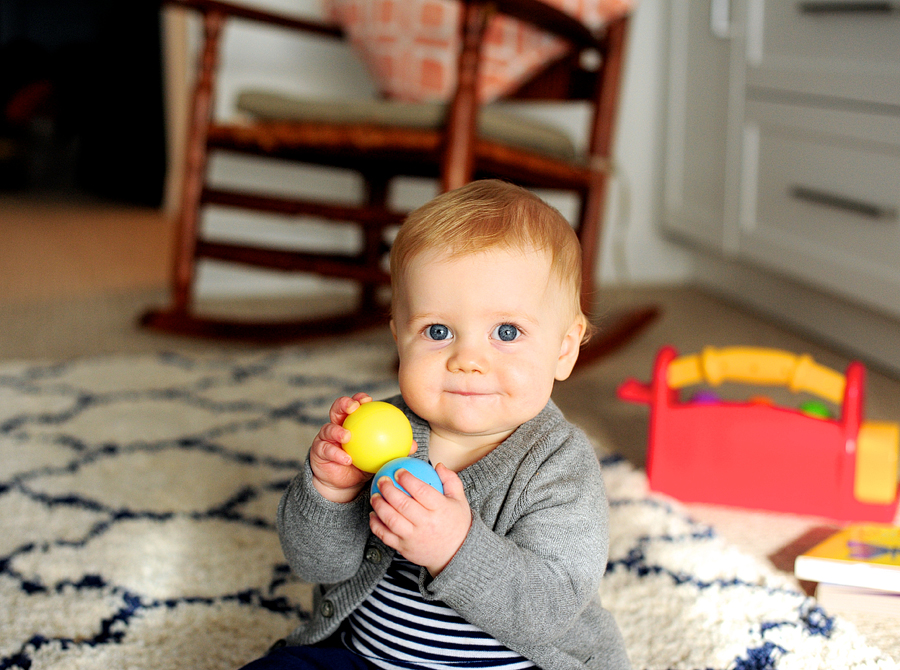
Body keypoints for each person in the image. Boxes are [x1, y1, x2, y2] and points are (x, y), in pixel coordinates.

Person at [242, 180, 630, 669]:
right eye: (438, 331)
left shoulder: (559, 467)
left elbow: (549, 610)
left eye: (506, 332)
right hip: (366, 659)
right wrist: (329, 494)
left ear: (564, 348)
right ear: (399, 339)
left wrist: (454, 547)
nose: (467, 360)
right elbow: (314, 565)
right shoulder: (385, 428)